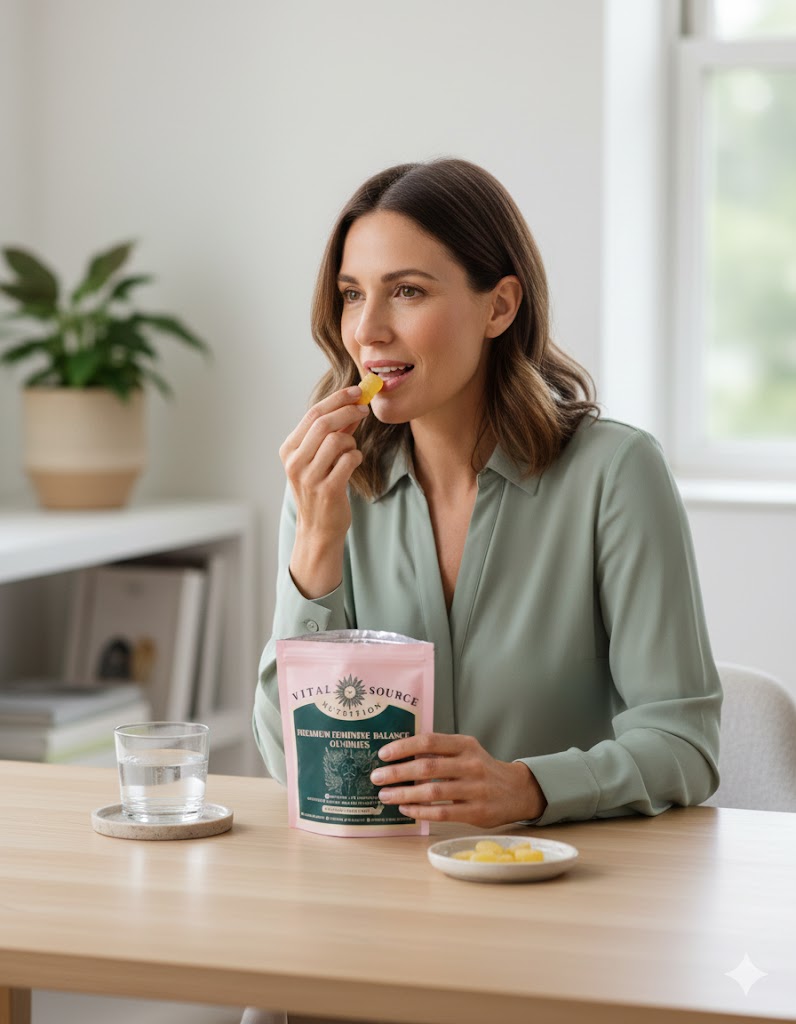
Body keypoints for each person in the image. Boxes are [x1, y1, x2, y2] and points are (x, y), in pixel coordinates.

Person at [252, 156, 721, 834]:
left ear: (499, 305)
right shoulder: (328, 486)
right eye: (353, 294)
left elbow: (685, 746)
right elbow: (285, 759)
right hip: (382, 900)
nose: (368, 330)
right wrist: (317, 545)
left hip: (566, 892)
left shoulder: (615, 474)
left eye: (407, 292)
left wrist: (529, 788)